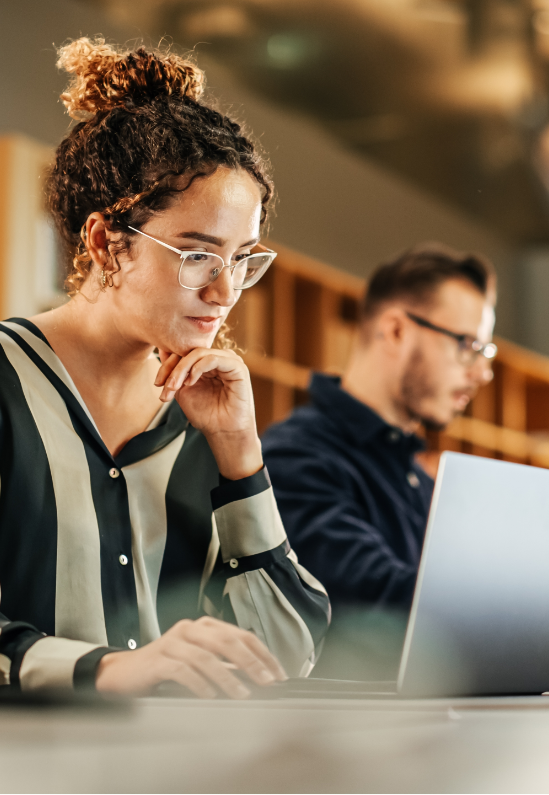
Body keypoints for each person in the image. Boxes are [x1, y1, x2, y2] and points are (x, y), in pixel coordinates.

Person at [0, 38, 329, 698]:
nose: (225, 290)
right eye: (197, 255)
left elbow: (286, 654)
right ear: (103, 241)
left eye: (242, 260)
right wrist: (106, 669)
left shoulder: (202, 414)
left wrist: (239, 453)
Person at [262, 244, 496, 673]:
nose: (481, 373)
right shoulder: (294, 457)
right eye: (467, 345)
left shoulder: (421, 482)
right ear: (395, 331)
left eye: (484, 353)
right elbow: (375, 601)